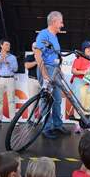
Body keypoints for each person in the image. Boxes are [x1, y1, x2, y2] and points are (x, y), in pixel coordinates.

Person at [34, 11, 70, 139]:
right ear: (54, 22)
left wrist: (60, 71)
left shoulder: (55, 37)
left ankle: (57, 125)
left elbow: (55, 57)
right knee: (46, 99)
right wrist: (44, 73)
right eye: (61, 22)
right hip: (47, 69)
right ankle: (47, 128)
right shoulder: (44, 34)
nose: (62, 25)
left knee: (57, 100)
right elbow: (37, 53)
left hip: (55, 70)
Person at [0, 39, 18, 127]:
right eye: (6, 45)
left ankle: (13, 120)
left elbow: (15, 69)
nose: (8, 47)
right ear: (1, 45)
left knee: (11, 100)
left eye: (9, 45)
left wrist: (9, 63)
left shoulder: (12, 57)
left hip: (10, 79)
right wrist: (0, 61)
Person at [71, 40, 90, 119]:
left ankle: (86, 123)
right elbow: (73, 71)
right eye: (87, 48)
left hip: (88, 85)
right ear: (83, 49)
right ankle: (78, 126)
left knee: (88, 105)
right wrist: (84, 72)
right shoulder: (79, 58)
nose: (89, 50)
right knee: (79, 104)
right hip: (80, 86)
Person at [24, 42, 41, 120]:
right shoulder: (29, 56)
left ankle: (43, 120)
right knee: (32, 102)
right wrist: (36, 62)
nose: (36, 49)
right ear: (32, 48)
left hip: (42, 81)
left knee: (43, 101)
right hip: (32, 80)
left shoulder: (44, 57)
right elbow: (27, 66)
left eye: (37, 48)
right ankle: (31, 119)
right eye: (34, 48)